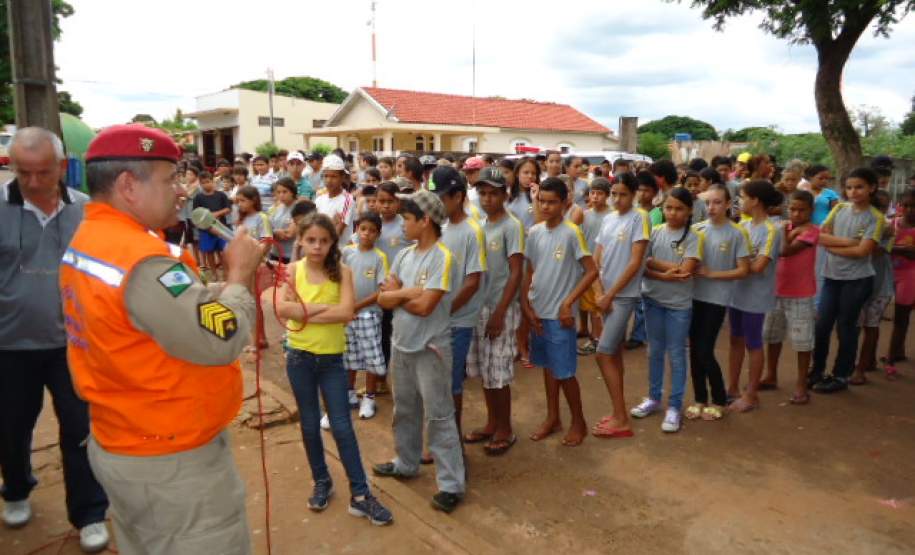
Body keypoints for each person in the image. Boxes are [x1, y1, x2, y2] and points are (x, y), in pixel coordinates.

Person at [61, 124, 263, 554]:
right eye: (170, 179)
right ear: (128, 185)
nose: (182, 192)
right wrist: (240, 277)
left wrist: (208, 292)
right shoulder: (140, 260)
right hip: (170, 461)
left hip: (125, 437)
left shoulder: (91, 239)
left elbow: (152, 316)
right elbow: (220, 337)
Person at [0, 128, 110, 552]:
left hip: (73, 345)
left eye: (42, 172)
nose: (31, 182)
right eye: (21, 172)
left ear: (62, 168)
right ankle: (16, 488)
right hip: (10, 346)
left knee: (81, 429)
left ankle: (90, 512)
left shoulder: (86, 211)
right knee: (11, 427)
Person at [275, 213, 393, 525]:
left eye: (324, 241)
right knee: (310, 424)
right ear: (300, 240)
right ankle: (322, 482)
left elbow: (345, 313)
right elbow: (282, 308)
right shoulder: (292, 270)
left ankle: (360, 494)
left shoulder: (343, 272)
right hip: (299, 358)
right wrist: (325, 311)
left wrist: (304, 313)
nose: (317, 247)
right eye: (311, 240)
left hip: (331, 361)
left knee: (342, 426)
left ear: (332, 243)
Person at [372, 190, 466, 514]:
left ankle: (451, 484)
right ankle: (406, 462)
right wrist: (405, 293)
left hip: (430, 348)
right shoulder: (404, 256)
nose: (401, 225)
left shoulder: (442, 257)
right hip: (402, 343)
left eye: (407, 219)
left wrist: (398, 295)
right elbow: (382, 300)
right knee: (405, 409)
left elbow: (427, 306)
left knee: (439, 415)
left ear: (425, 221)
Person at [521, 177, 598, 447]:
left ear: (565, 203)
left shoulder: (571, 232)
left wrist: (568, 303)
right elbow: (530, 270)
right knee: (547, 367)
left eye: (552, 202)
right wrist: (526, 305)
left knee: (565, 372)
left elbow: (591, 271)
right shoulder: (535, 232)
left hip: (560, 316)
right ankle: (553, 417)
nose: (546, 206)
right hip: (538, 312)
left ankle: (579, 421)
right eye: (542, 200)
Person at [464, 166, 524, 455]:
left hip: (501, 308)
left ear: (505, 195)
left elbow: (515, 273)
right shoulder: (481, 225)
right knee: (487, 372)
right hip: (481, 307)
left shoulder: (511, 226)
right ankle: (491, 422)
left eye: (493, 194)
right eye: (483, 193)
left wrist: (501, 311)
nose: (487, 199)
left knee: (499, 372)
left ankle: (506, 428)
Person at [630, 187, 701, 433]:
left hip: (678, 306)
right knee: (654, 352)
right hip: (652, 301)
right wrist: (665, 271)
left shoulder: (693, 237)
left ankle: (674, 407)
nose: (672, 213)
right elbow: (643, 265)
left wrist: (657, 266)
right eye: (669, 207)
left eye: (679, 208)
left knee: (677, 355)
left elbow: (686, 270)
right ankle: (653, 397)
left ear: (689, 210)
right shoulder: (656, 231)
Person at [811, 168, 884, 393]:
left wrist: (834, 246)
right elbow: (819, 236)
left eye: (859, 187)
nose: (853, 192)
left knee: (846, 328)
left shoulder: (876, 218)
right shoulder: (840, 208)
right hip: (832, 277)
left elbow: (864, 252)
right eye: (850, 187)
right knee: (822, 326)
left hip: (857, 280)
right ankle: (817, 371)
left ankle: (841, 375)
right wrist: (850, 242)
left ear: (872, 188)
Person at [590, 173, 650, 438]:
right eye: (614, 193)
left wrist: (610, 294)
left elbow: (636, 262)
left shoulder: (640, 218)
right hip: (606, 295)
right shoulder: (609, 219)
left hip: (623, 296)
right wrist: (599, 291)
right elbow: (597, 257)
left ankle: (622, 418)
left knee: (603, 353)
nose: (617, 199)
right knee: (612, 354)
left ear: (634, 194)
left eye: (623, 194)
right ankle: (618, 412)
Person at [685, 184, 751, 421]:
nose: (711, 207)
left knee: (705, 349)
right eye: (708, 203)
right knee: (694, 349)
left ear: (728, 204)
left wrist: (713, 274)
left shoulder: (736, 233)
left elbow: (744, 270)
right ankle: (700, 398)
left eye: (717, 202)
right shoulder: (696, 230)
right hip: (693, 297)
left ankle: (720, 398)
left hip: (717, 299)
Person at [434, 166, 487, 443]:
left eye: (441, 198)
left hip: (457, 321)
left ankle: (452, 443)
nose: (438, 204)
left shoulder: (472, 231)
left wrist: (444, 311)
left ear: (457, 196)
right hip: (438, 319)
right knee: (436, 385)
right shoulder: (440, 228)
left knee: (452, 385)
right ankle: (440, 440)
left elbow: (472, 281)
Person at [727, 180, 783, 412]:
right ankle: (732, 388)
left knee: (753, 343)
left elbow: (759, 266)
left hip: (755, 298)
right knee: (735, 339)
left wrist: (736, 264)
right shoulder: (743, 225)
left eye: (742, 197)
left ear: (755, 200)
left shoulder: (772, 230)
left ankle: (751, 394)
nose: (739, 202)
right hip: (736, 294)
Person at [761, 190, 818, 405]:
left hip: (800, 294)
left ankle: (801, 383)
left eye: (801, 210)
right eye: (792, 209)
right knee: (772, 335)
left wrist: (785, 234)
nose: (795, 214)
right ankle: (771, 374)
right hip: (776, 290)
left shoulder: (811, 232)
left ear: (811, 211)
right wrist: (786, 232)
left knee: (802, 341)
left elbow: (785, 251)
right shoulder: (785, 228)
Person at [340, 212, 389, 420]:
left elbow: (382, 291)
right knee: (349, 354)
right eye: (363, 229)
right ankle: (349, 392)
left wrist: (358, 305)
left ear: (378, 234)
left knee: (371, 357)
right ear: (356, 230)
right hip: (347, 314)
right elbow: (338, 280)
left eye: (372, 230)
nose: (366, 234)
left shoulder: (380, 257)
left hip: (369, 314)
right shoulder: (347, 252)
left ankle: (369, 397)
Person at [851, 190, 894, 385]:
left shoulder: (888, 228)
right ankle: (854, 364)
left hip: (879, 285)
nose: (879, 211)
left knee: (871, 325)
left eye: (883, 207)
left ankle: (861, 368)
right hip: (858, 282)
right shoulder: (870, 224)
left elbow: (873, 252)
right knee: (855, 326)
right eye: (876, 206)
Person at [577, 177, 612, 354]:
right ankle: (596, 337)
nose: (596, 196)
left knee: (600, 305)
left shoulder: (612, 216)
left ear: (607, 196)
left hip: (606, 267)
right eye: (593, 193)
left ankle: (600, 339)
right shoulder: (585, 215)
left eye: (600, 193)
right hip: (588, 266)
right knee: (591, 306)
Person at [885, 189, 915, 374]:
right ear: (899, 206)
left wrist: (891, 247)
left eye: (914, 206)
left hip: (909, 276)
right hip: (889, 274)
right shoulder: (892, 224)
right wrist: (901, 249)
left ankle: (890, 358)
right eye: (906, 205)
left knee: (901, 317)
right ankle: (898, 351)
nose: (910, 209)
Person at [193, 171, 231, 280]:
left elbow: (228, 209)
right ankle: (214, 273)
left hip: (221, 228)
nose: (206, 184)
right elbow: (196, 214)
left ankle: (226, 273)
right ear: (200, 184)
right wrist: (205, 219)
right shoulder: (198, 197)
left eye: (208, 182)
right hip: (206, 230)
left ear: (213, 181)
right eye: (203, 183)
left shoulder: (221, 195)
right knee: (209, 252)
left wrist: (216, 214)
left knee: (223, 252)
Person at [315, 154, 355, 248]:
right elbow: (314, 226)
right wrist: (331, 223)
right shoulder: (319, 198)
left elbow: (337, 233)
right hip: (321, 250)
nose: (329, 180)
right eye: (326, 176)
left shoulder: (348, 200)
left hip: (339, 252)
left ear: (342, 177)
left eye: (333, 176)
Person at [268, 178, 297, 263]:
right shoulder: (275, 208)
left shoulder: (299, 209)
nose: (281, 195)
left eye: (285, 192)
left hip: (290, 255)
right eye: (278, 192)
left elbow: (288, 234)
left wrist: (272, 232)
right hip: (274, 253)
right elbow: (265, 229)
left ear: (292, 192)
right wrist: (274, 233)